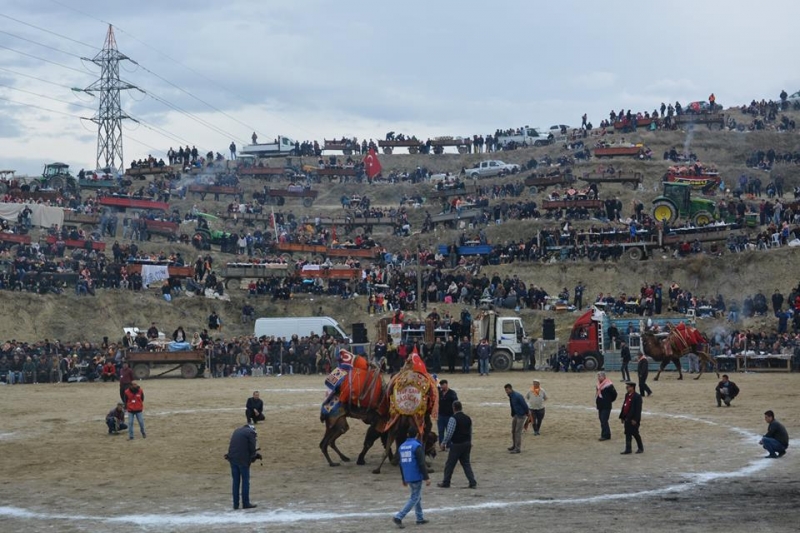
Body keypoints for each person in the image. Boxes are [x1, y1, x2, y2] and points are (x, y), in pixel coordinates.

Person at [393, 426, 430, 528]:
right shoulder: (417, 446)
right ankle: (399, 516)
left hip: (408, 475)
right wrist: (426, 477)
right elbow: (422, 463)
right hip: (416, 475)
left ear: (407, 434)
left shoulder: (402, 447)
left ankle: (419, 518)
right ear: (417, 435)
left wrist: (403, 478)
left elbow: (401, 464)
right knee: (414, 497)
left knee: (417, 496)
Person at [437, 400, 477, 489]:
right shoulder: (467, 418)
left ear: (454, 408)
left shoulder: (453, 418)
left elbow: (449, 432)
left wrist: (443, 443)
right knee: (466, 464)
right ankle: (472, 481)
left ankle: (446, 482)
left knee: (450, 464)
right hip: (466, 443)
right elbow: (470, 431)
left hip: (457, 444)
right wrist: (470, 442)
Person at [226, 424, 260, 509]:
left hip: (232, 458)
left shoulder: (237, 430)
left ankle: (235, 504)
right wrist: (254, 456)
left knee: (236, 482)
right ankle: (245, 503)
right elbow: (252, 447)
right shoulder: (251, 433)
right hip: (242, 460)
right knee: (245, 481)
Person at [619, 382, 644, 454]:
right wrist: (622, 417)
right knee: (627, 433)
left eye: (628, 387)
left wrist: (635, 419)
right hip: (627, 417)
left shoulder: (637, 397)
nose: (627, 388)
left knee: (635, 433)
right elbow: (624, 406)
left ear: (632, 387)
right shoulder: (627, 395)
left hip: (633, 418)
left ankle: (640, 447)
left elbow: (638, 410)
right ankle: (628, 449)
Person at [504, 383, 528, 453]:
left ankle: (517, 448)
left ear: (511, 389)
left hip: (521, 415)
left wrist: (527, 413)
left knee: (517, 432)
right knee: (513, 431)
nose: (506, 391)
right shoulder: (511, 395)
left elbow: (524, 405)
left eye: (507, 390)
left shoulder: (517, 396)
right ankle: (514, 445)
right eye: (506, 390)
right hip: (516, 415)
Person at [596, 371, 618, 441]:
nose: (599, 378)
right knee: (601, 419)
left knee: (604, 419)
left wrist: (609, 400)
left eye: (600, 376)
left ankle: (605, 435)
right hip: (600, 405)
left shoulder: (609, 385)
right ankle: (605, 434)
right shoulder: (598, 385)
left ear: (604, 377)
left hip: (606, 405)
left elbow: (614, 394)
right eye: (598, 376)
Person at [437, 380, 458, 446]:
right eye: (441, 385)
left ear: (446, 384)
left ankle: (449, 445)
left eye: (442, 385)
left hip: (449, 415)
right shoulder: (439, 393)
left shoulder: (452, 393)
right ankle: (441, 445)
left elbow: (455, 403)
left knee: (449, 431)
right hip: (440, 415)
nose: (441, 387)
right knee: (440, 431)